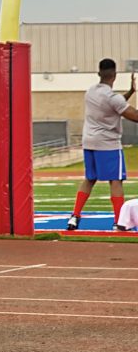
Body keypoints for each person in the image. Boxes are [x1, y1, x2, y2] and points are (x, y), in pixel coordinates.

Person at [67, 59, 138, 231]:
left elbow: (114, 104)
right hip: (108, 143)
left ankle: (74, 216)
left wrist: (130, 92)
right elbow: (133, 115)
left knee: (90, 178)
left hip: (89, 141)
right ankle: (118, 221)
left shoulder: (91, 92)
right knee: (115, 181)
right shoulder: (113, 98)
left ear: (99, 73)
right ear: (115, 75)